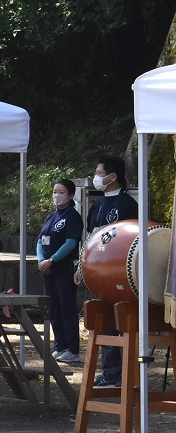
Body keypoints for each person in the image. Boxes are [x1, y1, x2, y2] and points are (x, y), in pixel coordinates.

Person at [85, 154, 138, 386]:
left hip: (121, 273)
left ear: (113, 176)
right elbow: (89, 238)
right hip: (97, 273)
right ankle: (110, 372)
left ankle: (129, 374)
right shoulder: (96, 204)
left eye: (99, 174)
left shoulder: (128, 204)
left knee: (125, 322)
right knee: (104, 319)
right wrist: (81, 265)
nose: (96, 178)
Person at [37, 179, 84, 364]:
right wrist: (42, 261)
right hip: (48, 269)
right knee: (53, 308)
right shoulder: (51, 216)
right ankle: (60, 346)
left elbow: (71, 243)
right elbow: (41, 240)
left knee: (67, 308)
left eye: (61, 192)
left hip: (63, 268)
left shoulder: (72, 216)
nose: (57, 195)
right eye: (55, 191)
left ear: (70, 195)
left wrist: (52, 260)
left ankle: (72, 349)